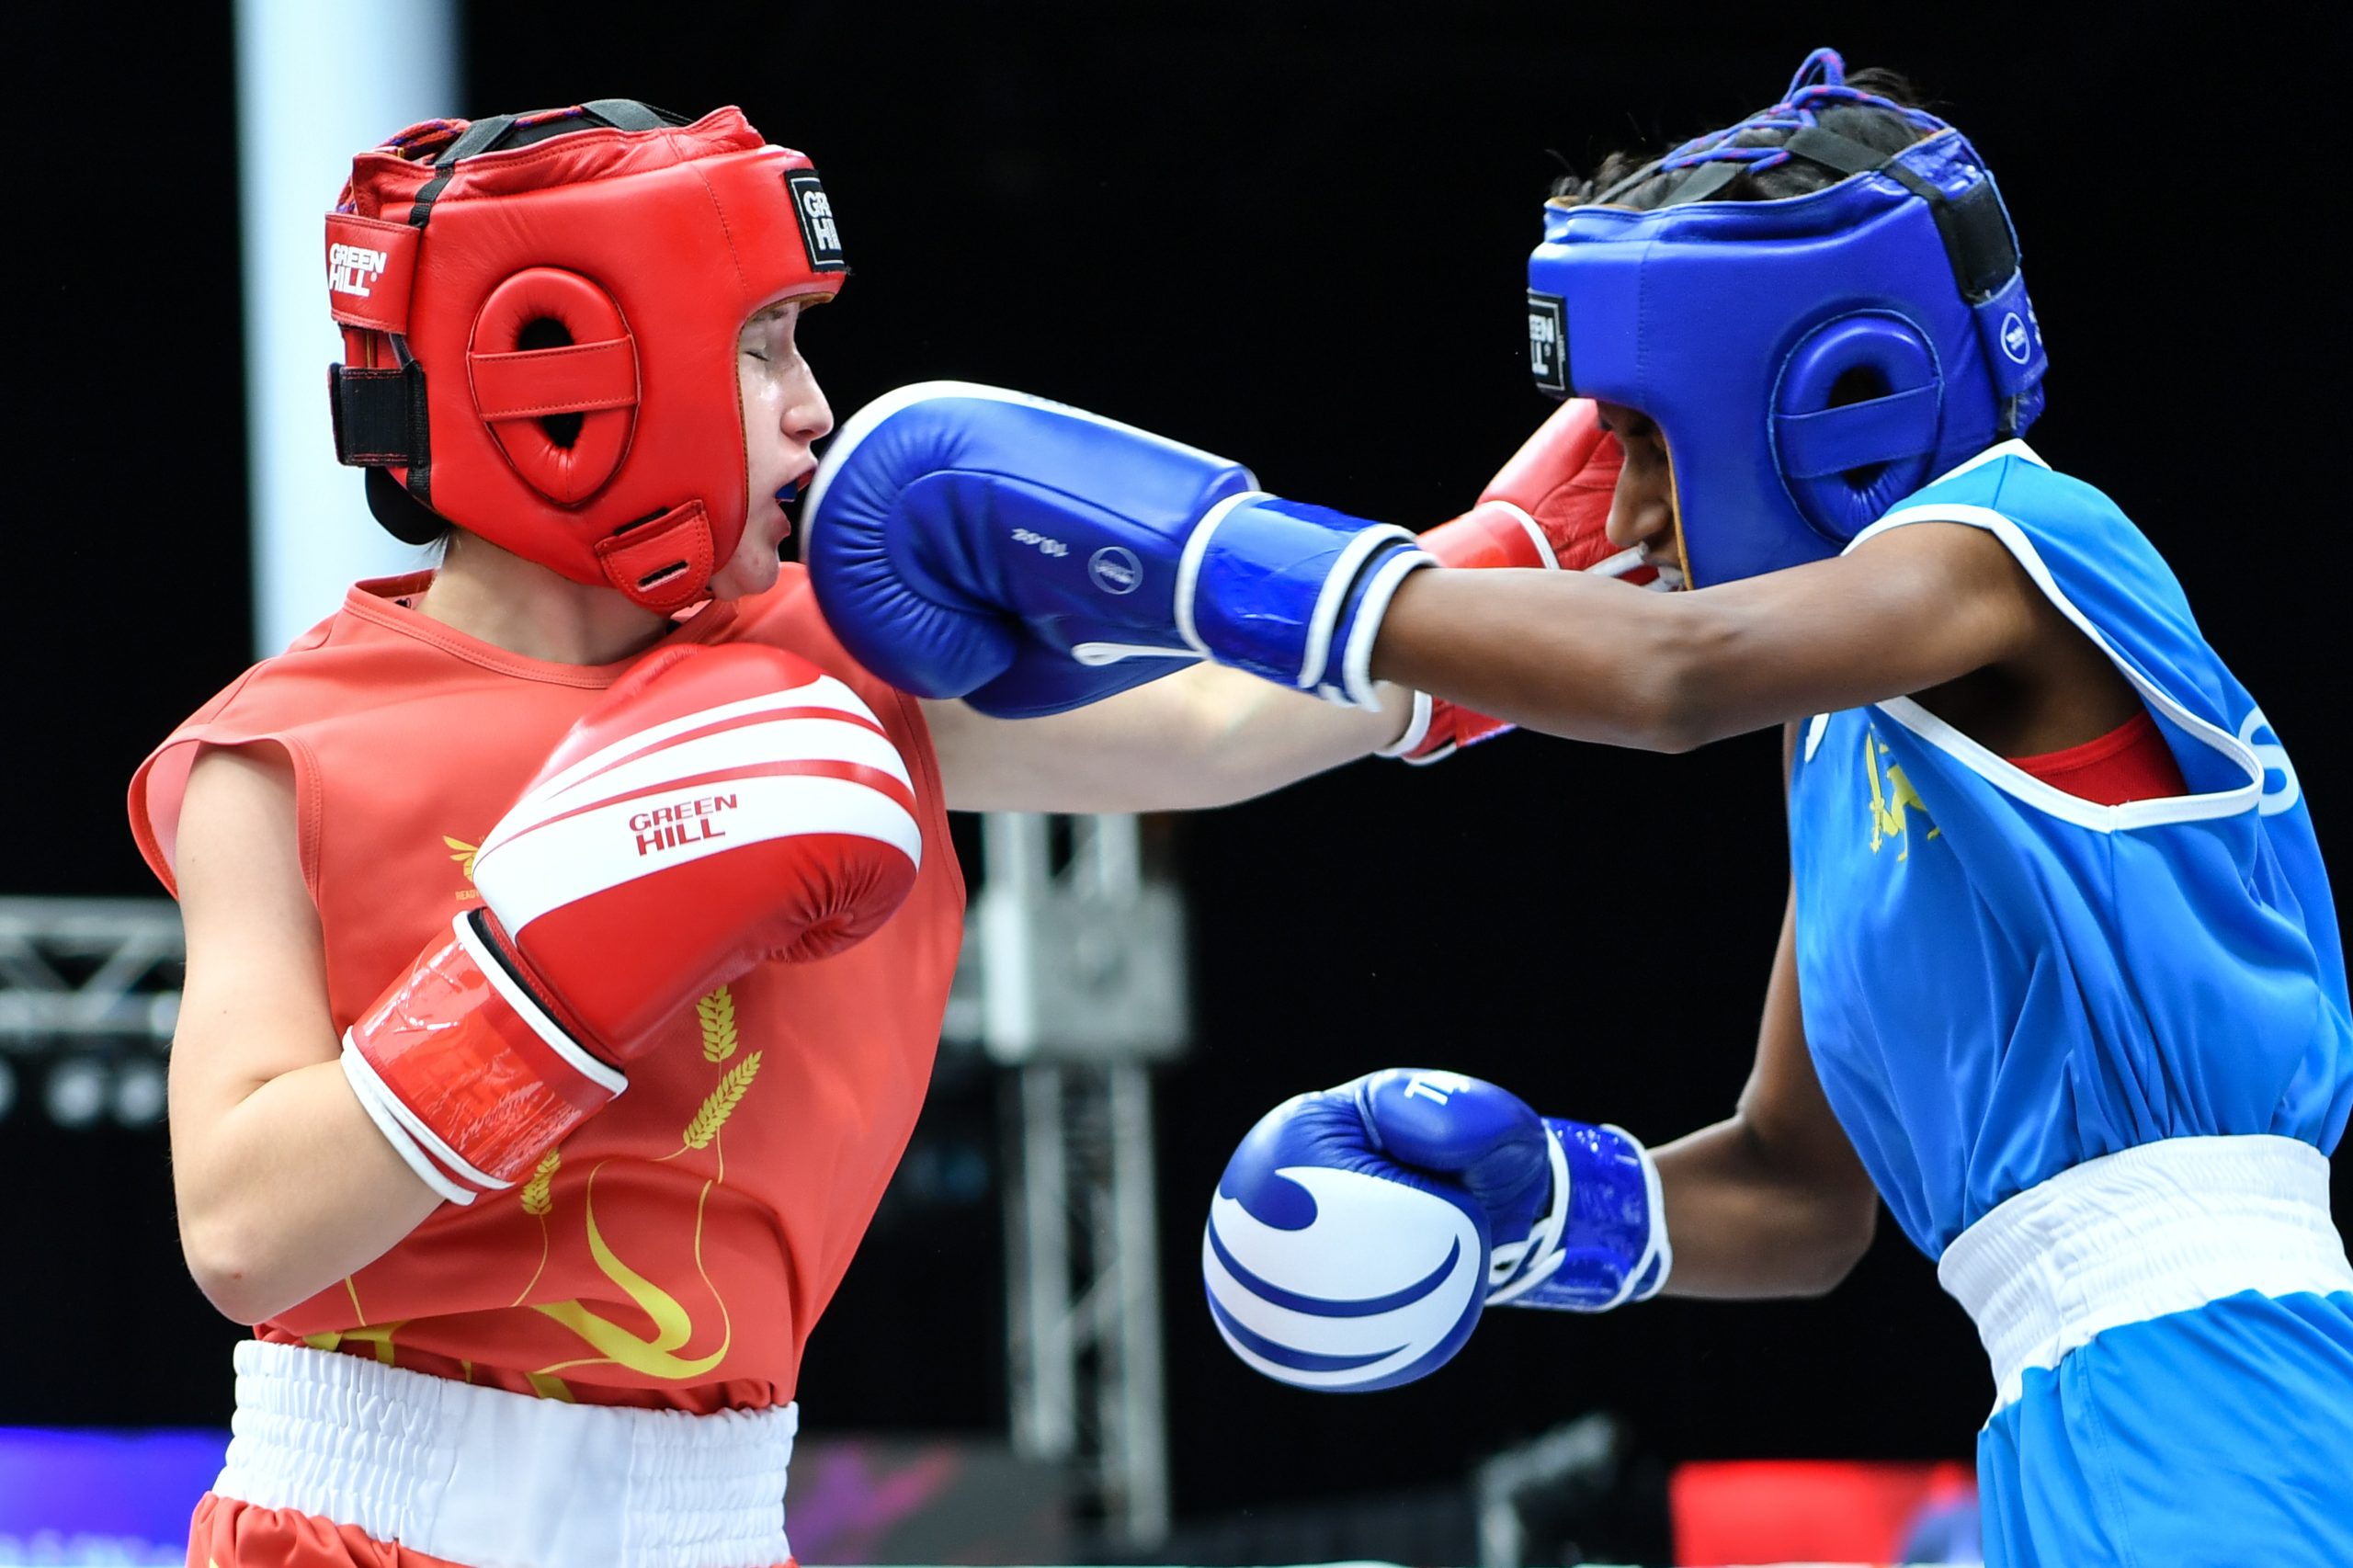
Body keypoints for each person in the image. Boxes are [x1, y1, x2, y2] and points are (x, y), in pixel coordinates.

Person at [800, 51, 2353, 1568]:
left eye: (1644, 435)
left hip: (2229, 1397)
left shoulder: (2016, 537)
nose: (1615, 513)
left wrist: (1216, 561)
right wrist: (1545, 1209)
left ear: (1835, 399)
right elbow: (1798, 1195)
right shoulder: (1851, 743)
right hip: (2049, 1424)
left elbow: (1675, 678)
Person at [130, 100, 1637, 1568]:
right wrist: (539, 969)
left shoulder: (829, 662)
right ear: (574, 366)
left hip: (711, 1519)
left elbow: (1222, 723)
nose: (814, 405)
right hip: (351, 1516)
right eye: (760, 343)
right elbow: (243, 1227)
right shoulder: (281, 751)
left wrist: (1506, 568)